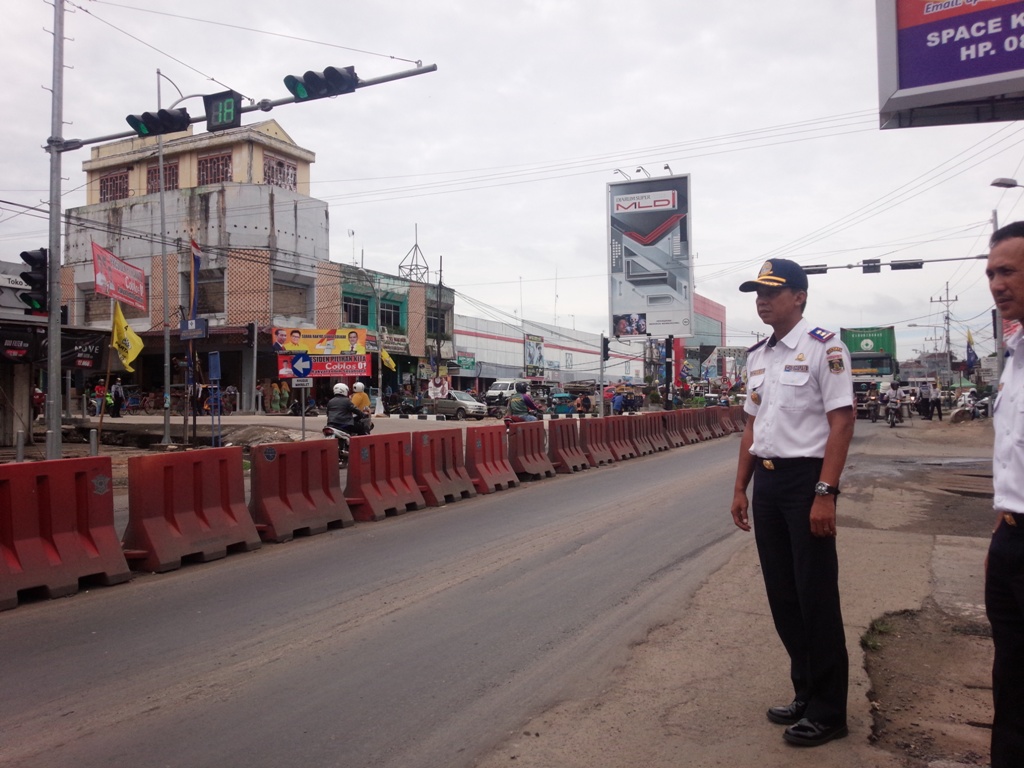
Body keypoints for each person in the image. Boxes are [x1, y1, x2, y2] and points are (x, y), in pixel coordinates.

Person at [729, 258, 855, 747]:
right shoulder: (757, 356)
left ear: (799, 297)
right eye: (757, 292)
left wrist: (825, 493)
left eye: (772, 291)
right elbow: (751, 427)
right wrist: (741, 488)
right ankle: (805, 692)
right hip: (768, 484)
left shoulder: (826, 347)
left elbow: (842, 422)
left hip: (807, 482)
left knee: (815, 595)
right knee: (783, 595)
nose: (761, 299)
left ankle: (829, 710)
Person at [983, 222, 1024, 768]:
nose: (995, 284)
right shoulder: (1013, 354)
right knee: (1010, 677)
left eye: (1007, 271)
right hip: (1011, 536)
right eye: (992, 273)